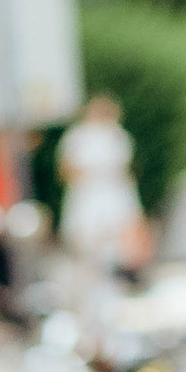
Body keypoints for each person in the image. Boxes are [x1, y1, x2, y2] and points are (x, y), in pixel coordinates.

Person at [59, 91, 144, 277]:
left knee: (115, 243)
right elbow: (67, 170)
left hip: (113, 195)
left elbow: (124, 172)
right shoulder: (78, 136)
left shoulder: (118, 136)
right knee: (86, 242)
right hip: (87, 196)